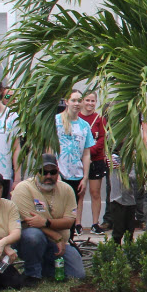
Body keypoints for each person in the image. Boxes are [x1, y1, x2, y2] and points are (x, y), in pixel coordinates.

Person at [13, 155, 85, 285]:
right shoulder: (23, 189)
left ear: (58, 172)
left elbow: (69, 222)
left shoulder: (67, 189)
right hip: (31, 241)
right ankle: (32, 274)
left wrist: (46, 222)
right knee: (33, 235)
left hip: (60, 243)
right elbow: (31, 223)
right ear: (36, 172)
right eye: (44, 172)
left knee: (78, 274)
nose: (48, 176)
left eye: (53, 172)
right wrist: (56, 235)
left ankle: (44, 267)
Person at [54, 89, 94, 234]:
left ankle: (70, 240)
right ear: (66, 102)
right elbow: (49, 149)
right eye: (73, 100)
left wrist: (85, 177)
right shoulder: (56, 121)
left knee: (72, 212)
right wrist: (55, 172)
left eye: (79, 100)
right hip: (60, 173)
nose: (77, 103)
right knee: (58, 211)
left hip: (76, 174)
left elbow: (86, 153)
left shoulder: (84, 126)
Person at [80, 90, 109, 234]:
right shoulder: (76, 117)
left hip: (96, 159)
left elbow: (102, 138)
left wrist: (90, 152)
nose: (90, 103)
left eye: (93, 101)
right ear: (82, 101)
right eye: (87, 100)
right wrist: (83, 154)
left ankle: (95, 223)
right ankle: (77, 223)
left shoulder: (99, 119)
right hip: (78, 161)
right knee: (79, 192)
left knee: (95, 192)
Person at [104, 152, 138, 244]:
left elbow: (135, 178)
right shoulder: (112, 158)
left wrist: (125, 171)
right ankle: (116, 251)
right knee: (118, 229)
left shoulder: (132, 160)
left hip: (130, 201)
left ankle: (129, 251)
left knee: (129, 229)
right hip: (116, 200)